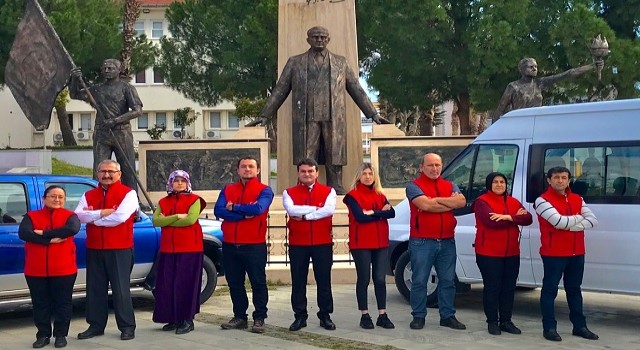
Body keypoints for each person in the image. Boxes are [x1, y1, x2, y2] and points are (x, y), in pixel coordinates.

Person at [254, 26, 389, 194]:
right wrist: (265, 114)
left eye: (323, 37)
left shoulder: (341, 62)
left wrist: (373, 113)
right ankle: (304, 184)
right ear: (308, 39)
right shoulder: (295, 62)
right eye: (315, 37)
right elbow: (280, 89)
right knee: (307, 153)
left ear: (328, 39)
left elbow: (356, 89)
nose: (319, 40)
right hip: (306, 116)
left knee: (335, 151)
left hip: (333, 115)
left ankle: (336, 184)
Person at [74, 159, 139, 341]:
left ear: (119, 174)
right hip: (94, 248)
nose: (107, 175)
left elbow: (119, 217)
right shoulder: (88, 194)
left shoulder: (129, 193)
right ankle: (95, 325)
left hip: (120, 249)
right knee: (95, 289)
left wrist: (92, 217)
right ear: (97, 174)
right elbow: (79, 216)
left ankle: (127, 326)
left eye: (111, 171)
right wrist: (102, 213)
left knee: (121, 289)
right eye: (103, 171)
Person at [534, 166, 599, 342]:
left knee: (575, 291)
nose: (560, 181)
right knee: (550, 290)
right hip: (553, 253)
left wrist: (569, 224)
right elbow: (558, 222)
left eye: (564, 177)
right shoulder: (541, 200)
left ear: (569, 180)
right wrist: (578, 219)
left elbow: (593, 220)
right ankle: (549, 328)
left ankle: (580, 326)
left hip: (577, 252)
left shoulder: (577, 198)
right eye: (556, 177)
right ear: (549, 180)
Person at [405, 153, 467, 330]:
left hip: (447, 240)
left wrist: (436, 201)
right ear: (421, 167)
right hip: (422, 241)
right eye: (430, 165)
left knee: (448, 281)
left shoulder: (449, 185)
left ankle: (447, 316)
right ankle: (418, 316)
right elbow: (425, 205)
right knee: (419, 280)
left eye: (438, 165)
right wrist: (449, 203)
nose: (434, 168)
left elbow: (461, 202)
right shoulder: (413, 186)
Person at [214, 157, 274, 334]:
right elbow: (219, 210)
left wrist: (233, 208)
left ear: (258, 170)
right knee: (235, 283)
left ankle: (259, 317)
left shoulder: (265, 190)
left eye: (251, 167)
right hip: (231, 245)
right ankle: (240, 316)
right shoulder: (228, 189)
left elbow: (258, 210)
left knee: (258, 282)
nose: (247, 169)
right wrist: (241, 214)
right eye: (243, 167)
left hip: (254, 245)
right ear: (237, 170)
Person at [18, 185, 81, 348]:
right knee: (40, 303)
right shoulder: (31, 216)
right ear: (44, 199)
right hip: (35, 270)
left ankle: (61, 335)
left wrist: (42, 233)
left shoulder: (70, 216)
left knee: (63, 303)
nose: (57, 199)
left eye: (61, 197)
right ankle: (43, 335)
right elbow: (24, 233)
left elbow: (72, 229)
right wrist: (50, 240)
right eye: (53, 196)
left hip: (64, 269)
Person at [472, 172, 533, 335]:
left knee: (508, 288)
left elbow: (528, 219)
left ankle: (506, 321)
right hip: (488, 253)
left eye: (502, 182)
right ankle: (492, 321)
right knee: (493, 287)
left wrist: (506, 216)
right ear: (489, 184)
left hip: (511, 252)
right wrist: (514, 219)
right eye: (495, 182)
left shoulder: (513, 201)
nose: (499, 185)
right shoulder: (482, 202)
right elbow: (491, 222)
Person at [69, 59, 143, 191]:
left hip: (122, 132)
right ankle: (98, 197)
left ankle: (133, 199)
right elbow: (75, 94)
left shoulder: (127, 88)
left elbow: (138, 111)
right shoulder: (97, 89)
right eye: (105, 68)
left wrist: (115, 120)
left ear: (118, 70)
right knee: (100, 168)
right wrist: (74, 80)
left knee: (128, 168)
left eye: (111, 68)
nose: (107, 71)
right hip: (102, 133)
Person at [283, 158, 337, 331]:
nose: (307, 174)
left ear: (316, 173)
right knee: (298, 280)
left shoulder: (329, 191)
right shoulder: (288, 192)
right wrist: (316, 209)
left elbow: (328, 210)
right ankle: (300, 316)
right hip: (298, 243)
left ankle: (325, 315)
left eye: (310, 171)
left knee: (324, 280)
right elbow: (291, 210)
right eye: (303, 171)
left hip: (322, 242)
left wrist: (306, 215)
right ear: (298, 173)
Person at [152, 170, 207, 335]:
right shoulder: (163, 201)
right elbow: (156, 220)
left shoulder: (195, 200)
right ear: (170, 183)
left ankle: (187, 319)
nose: (179, 183)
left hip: (190, 248)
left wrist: (167, 220)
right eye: (176, 181)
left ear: (187, 183)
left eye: (183, 180)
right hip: (168, 248)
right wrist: (176, 216)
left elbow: (190, 220)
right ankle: (173, 317)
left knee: (186, 284)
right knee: (168, 284)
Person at [343, 163, 396, 329]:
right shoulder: (352, 196)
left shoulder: (380, 195)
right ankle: (364, 314)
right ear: (359, 176)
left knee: (380, 279)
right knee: (364, 279)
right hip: (362, 243)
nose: (367, 176)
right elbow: (360, 217)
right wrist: (382, 213)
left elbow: (392, 213)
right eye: (364, 173)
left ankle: (382, 314)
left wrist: (373, 212)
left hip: (380, 242)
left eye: (370, 173)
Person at [495, 58, 601, 119]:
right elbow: (500, 108)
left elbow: (567, 74)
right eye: (531, 67)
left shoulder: (539, 83)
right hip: (520, 123)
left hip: (538, 122)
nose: (534, 69)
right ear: (522, 69)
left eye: (536, 67)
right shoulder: (513, 86)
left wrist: (591, 66)